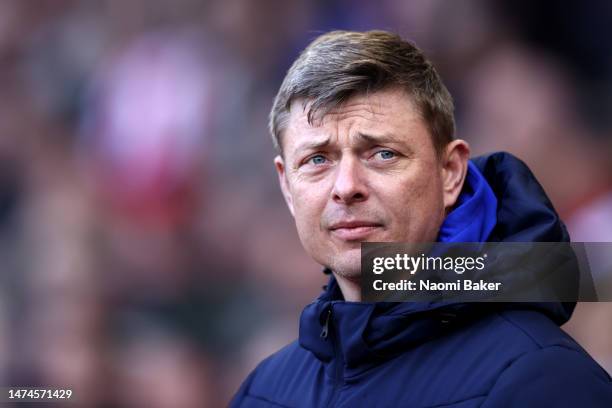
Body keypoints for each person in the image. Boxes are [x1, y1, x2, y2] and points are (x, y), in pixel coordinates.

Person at [230, 30, 612, 407]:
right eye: (317, 160)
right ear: (286, 185)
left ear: (449, 172)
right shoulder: (263, 392)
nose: (346, 187)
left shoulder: (543, 381)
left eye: (382, 154)